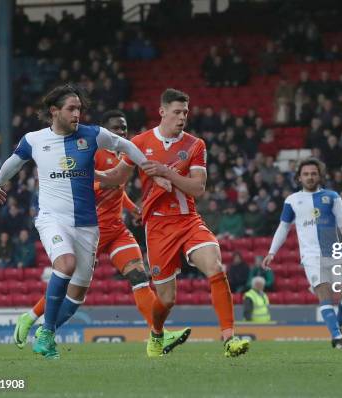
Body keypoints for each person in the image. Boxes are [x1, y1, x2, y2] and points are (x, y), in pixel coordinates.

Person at [0, 84, 166, 359]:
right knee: (66, 264)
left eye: (79, 109)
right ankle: (46, 332)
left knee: (75, 299)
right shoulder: (34, 139)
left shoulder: (92, 134)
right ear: (54, 111)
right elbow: (14, 161)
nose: (77, 114)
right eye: (71, 109)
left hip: (87, 226)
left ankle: (42, 333)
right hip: (52, 219)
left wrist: (149, 168)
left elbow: (126, 145)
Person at [12, 109, 190, 354]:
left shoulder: (124, 156)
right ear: (106, 131)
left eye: (124, 128)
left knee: (139, 276)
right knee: (73, 295)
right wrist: (100, 182)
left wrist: (132, 207)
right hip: (88, 231)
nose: (121, 132)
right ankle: (32, 319)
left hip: (117, 231)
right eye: (116, 128)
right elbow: (77, 185)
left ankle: (158, 335)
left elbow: (119, 189)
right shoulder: (90, 153)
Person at [97, 88, 249, 358]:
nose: (182, 118)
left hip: (188, 221)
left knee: (215, 267)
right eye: (177, 112)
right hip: (157, 228)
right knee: (166, 299)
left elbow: (198, 188)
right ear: (162, 112)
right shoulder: (140, 142)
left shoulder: (195, 144)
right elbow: (116, 177)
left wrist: (167, 172)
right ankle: (156, 334)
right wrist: (84, 171)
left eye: (186, 112)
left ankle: (229, 339)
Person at [261, 158, 342, 349]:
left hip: (335, 253)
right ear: (299, 177)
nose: (310, 177)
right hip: (311, 256)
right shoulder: (292, 200)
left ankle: (336, 329)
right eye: (306, 174)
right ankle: (338, 338)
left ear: (320, 175)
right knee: (324, 291)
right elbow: (283, 227)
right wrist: (272, 252)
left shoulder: (332, 196)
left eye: (313, 173)